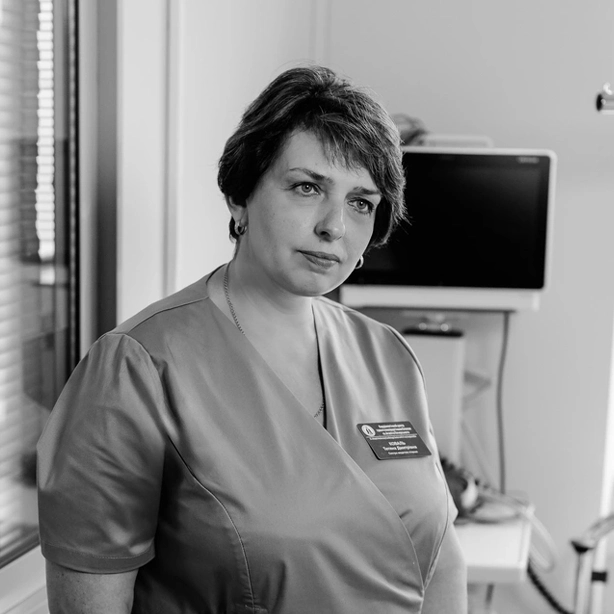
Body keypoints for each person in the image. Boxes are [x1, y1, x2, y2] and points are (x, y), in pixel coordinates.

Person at [37, 65, 467, 613]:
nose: (334, 226)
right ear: (241, 196)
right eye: (307, 187)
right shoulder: (136, 368)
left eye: (361, 201)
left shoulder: (387, 355)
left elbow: (441, 559)